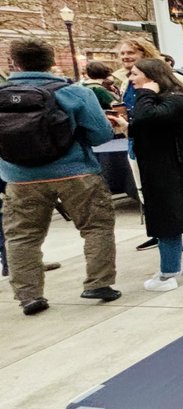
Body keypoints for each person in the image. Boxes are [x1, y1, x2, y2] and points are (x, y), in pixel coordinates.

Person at [0, 38, 120, 315]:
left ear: (13, 63)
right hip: (76, 172)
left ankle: (29, 296)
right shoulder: (74, 93)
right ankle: (98, 283)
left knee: (22, 236)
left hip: (20, 176)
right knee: (96, 227)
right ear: (51, 61)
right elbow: (100, 134)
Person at [110, 59, 183, 291]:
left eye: (136, 74)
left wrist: (146, 94)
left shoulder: (175, 100)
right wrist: (127, 126)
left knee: (167, 219)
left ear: (152, 76)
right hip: (174, 168)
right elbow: (153, 127)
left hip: (170, 171)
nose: (131, 79)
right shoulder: (173, 99)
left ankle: (167, 275)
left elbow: (150, 117)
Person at [112, 37, 183, 252]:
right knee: (145, 191)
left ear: (144, 53)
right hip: (136, 140)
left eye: (130, 53)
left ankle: (182, 235)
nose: (125, 57)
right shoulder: (126, 82)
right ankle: (160, 231)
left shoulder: (170, 79)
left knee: (174, 196)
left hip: (165, 147)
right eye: (122, 53)